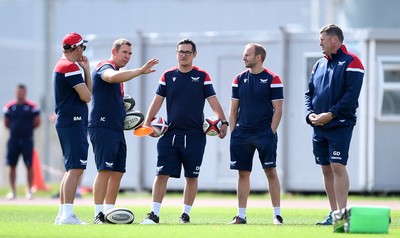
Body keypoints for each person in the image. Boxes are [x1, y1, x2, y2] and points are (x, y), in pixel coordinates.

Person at [140, 38, 228, 225]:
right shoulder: (167, 75)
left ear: (194, 55)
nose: (184, 55)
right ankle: (154, 214)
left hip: (196, 136)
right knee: (161, 174)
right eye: (181, 51)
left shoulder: (202, 76)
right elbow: (157, 101)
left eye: (188, 52)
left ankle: (185, 215)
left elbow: (213, 101)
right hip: (170, 135)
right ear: (176, 53)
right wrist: (147, 123)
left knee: (191, 176)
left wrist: (224, 122)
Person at [89, 38, 159, 224]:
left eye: (130, 54)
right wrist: (140, 71)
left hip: (115, 128)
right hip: (102, 126)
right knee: (104, 170)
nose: (127, 56)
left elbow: (120, 107)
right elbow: (110, 77)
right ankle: (98, 215)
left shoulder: (119, 72)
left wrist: (138, 124)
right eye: (124, 52)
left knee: (118, 171)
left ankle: (109, 213)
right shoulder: (105, 66)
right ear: (114, 51)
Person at [305, 24, 364, 225]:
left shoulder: (353, 62)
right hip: (318, 126)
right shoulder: (318, 65)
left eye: (322, 39)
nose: (319, 43)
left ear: (334, 40)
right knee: (325, 168)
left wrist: (330, 114)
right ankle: (333, 214)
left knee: (337, 165)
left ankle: (342, 216)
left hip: (340, 123)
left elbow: (350, 96)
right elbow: (309, 94)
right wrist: (310, 115)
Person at [228, 43, 284, 225]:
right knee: (242, 174)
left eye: (247, 55)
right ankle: (241, 215)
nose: (243, 58)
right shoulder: (238, 79)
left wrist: (270, 132)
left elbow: (278, 110)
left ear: (258, 57)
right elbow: (233, 108)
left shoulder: (273, 79)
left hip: (264, 133)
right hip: (242, 133)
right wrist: (234, 131)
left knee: (270, 171)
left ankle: (277, 215)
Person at [53, 32, 92, 225]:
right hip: (73, 121)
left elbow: (86, 95)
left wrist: (85, 69)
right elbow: (87, 96)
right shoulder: (69, 67)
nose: (83, 51)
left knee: (71, 169)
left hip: (67, 121)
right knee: (76, 168)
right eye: (82, 47)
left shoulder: (62, 65)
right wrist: (87, 71)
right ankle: (67, 214)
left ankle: (63, 214)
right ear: (77, 48)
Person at [3, 84, 41, 200]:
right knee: (12, 164)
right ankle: (12, 190)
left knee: (29, 165)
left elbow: (37, 122)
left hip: (27, 140)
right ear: (16, 92)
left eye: (23, 92)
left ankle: (29, 190)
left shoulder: (31, 107)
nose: (21, 94)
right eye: (19, 92)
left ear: (25, 93)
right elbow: (6, 122)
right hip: (13, 139)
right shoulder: (10, 107)